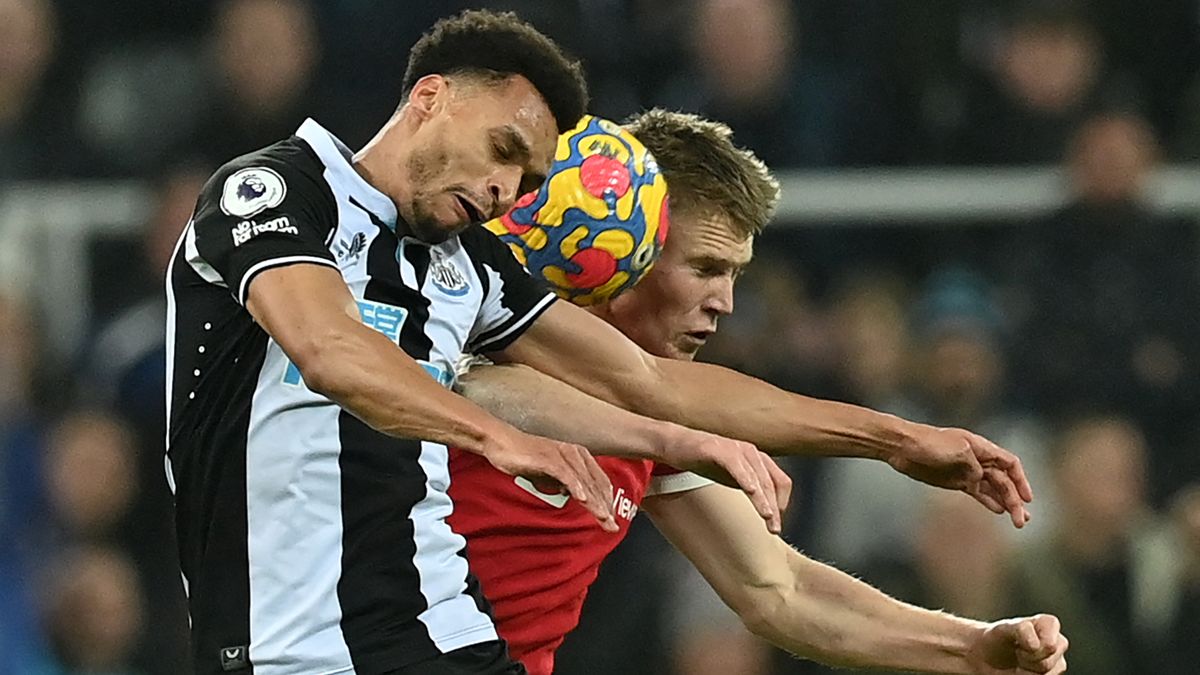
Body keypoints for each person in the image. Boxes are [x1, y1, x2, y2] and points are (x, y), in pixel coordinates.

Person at [167, 10, 1030, 675]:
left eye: (527, 179)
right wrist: (511, 436)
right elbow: (363, 359)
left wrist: (902, 448)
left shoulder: (472, 277)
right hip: (301, 642)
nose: (725, 302)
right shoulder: (285, 200)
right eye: (703, 265)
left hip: (440, 645)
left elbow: (770, 574)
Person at [450, 110, 1067, 675]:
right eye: (705, 268)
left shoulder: (670, 418)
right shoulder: (465, 325)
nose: (726, 303)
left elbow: (777, 591)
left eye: (736, 274)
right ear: (622, 248)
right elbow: (622, 389)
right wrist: (895, 438)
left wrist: (972, 648)